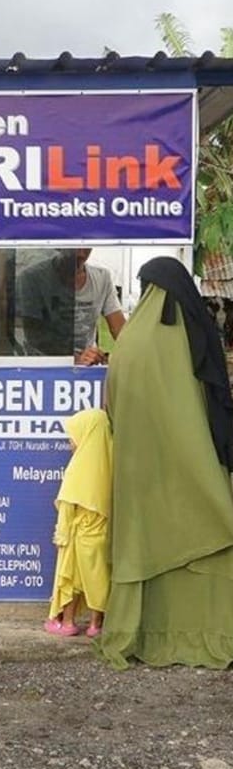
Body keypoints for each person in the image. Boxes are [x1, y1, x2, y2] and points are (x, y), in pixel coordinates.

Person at [96, 256, 233, 670]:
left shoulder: (129, 347)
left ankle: (142, 632)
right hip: (196, 471)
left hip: (140, 477)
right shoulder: (197, 339)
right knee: (209, 532)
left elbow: (112, 410)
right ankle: (210, 632)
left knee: (143, 544)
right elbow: (218, 404)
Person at [44, 409, 112, 639]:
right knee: (99, 578)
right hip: (103, 534)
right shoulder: (112, 463)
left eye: (72, 436)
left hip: (76, 535)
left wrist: (61, 535)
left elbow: (67, 504)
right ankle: (96, 624)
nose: (70, 442)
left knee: (70, 579)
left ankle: (68, 622)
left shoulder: (78, 467)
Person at [17, 248, 126, 365]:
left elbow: (119, 329)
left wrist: (135, 354)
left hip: (87, 363)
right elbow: (34, 336)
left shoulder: (102, 278)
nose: (80, 252)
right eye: (74, 247)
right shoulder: (33, 277)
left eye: (86, 246)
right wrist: (75, 360)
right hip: (44, 365)